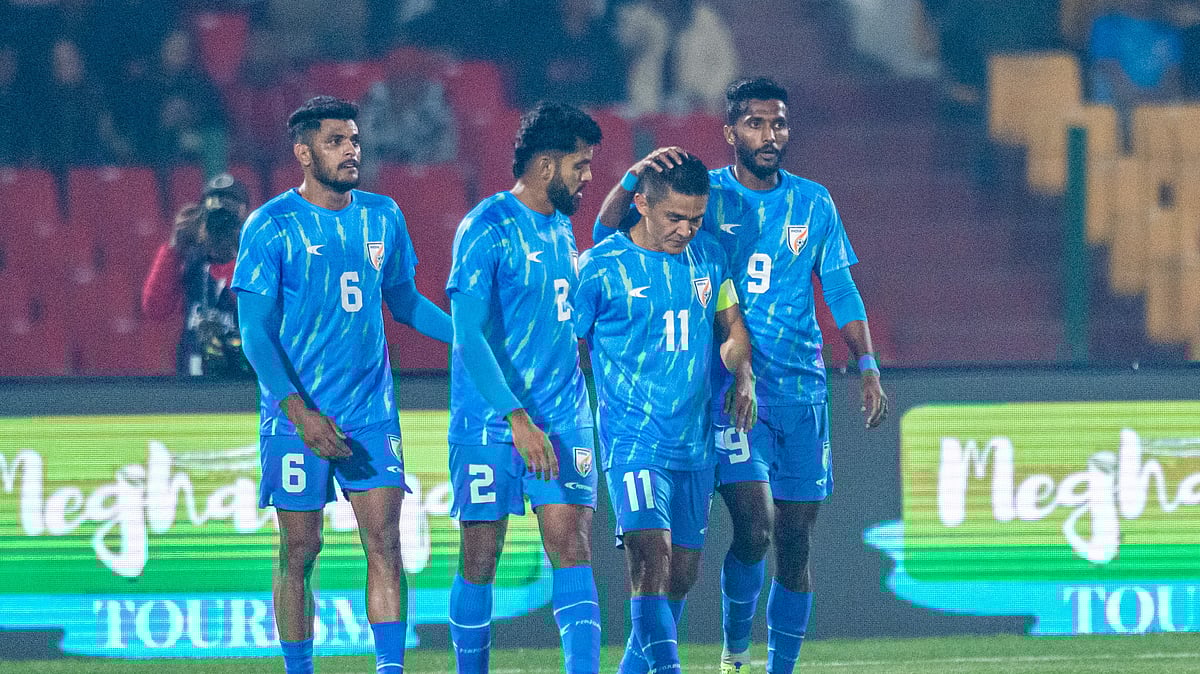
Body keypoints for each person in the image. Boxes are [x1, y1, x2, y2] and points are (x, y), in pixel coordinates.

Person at [596, 77, 889, 674]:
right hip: (728, 393)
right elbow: (611, 238)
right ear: (730, 131)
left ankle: (777, 666)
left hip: (802, 390)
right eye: (755, 123)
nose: (769, 135)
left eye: (778, 123)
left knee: (796, 539)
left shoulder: (814, 202)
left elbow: (838, 286)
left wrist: (866, 363)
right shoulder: (705, 196)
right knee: (754, 526)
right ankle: (732, 653)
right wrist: (630, 177)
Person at [232, 95, 452, 674]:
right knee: (300, 551)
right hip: (295, 419)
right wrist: (300, 412)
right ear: (304, 152)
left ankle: (389, 669)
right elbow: (254, 335)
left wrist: (467, 338)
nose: (351, 150)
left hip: (370, 415)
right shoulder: (270, 225)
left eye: (354, 140)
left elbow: (402, 300)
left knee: (384, 546)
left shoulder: (383, 215)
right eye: (336, 141)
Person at [575, 154, 757, 674]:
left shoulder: (710, 257)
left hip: (695, 440)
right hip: (633, 440)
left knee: (682, 572)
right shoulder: (600, 266)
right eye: (675, 217)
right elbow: (564, 346)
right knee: (650, 559)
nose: (686, 229)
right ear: (642, 205)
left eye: (695, 218)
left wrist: (741, 373)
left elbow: (732, 327)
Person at [445, 101, 603, 674]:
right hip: (490, 422)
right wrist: (516, 418)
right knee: (481, 557)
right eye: (580, 166)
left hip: (562, 415)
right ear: (545, 166)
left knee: (571, 546)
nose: (588, 177)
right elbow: (466, 335)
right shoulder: (484, 228)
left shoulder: (563, 229)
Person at [142, 173, 253, 377]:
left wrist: (233, 252)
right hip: (193, 381)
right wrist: (175, 247)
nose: (221, 222)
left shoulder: (255, 260)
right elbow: (155, 308)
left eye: (228, 214)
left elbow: (256, 313)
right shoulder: (191, 260)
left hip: (243, 381)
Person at [1087, 0, 1184, 150]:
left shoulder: (1168, 31)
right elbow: (1112, 77)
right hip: (1119, 111)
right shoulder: (1106, 27)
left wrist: (1153, 107)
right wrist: (1142, 107)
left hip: (1160, 111)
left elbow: (1172, 82)